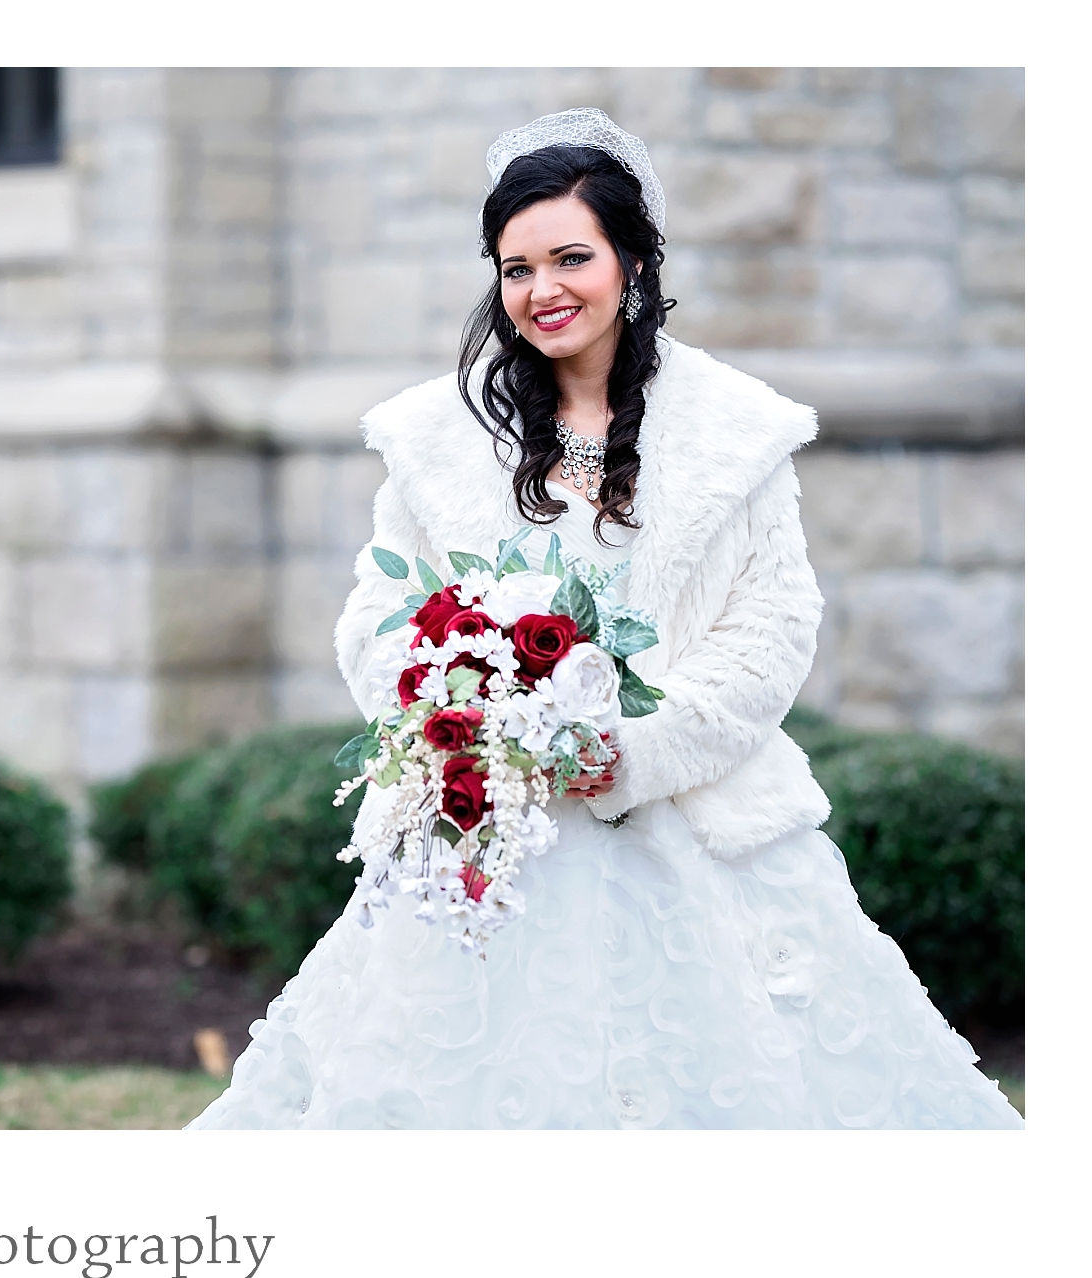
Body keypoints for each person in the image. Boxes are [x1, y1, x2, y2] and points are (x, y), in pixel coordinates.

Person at [188, 110, 1020, 1129]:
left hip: (698, 831)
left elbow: (770, 631)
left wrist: (632, 752)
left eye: (570, 257)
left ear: (632, 261)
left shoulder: (734, 432)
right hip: (490, 830)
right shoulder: (437, 441)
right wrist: (469, 713)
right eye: (515, 267)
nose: (543, 291)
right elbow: (378, 618)